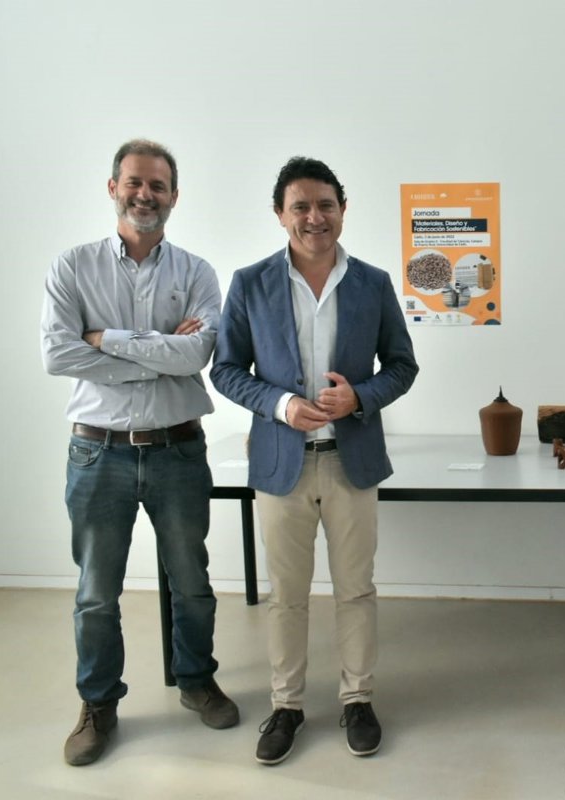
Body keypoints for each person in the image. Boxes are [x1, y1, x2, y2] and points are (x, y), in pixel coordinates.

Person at [211, 156, 418, 765]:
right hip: (282, 464)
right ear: (280, 214)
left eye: (325, 204)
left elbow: (402, 365)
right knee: (287, 595)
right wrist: (279, 405)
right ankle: (287, 705)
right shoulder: (250, 283)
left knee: (356, 589)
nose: (314, 217)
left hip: (351, 461)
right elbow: (226, 369)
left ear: (342, 210)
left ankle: (358, 699)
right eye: (299, 206)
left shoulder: (373, 283)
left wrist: (359, 397)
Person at [41, 139, 239, 767]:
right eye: (134, 182)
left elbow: (197, 354)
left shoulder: (198, 273)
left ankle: (196, 680)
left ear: (173, 196)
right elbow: (58, 354)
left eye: (157, 185)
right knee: (96, 593)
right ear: (113, 188)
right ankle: (98, 703)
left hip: (178, 451)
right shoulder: (72, 267)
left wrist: (108, 340)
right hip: (98, 454)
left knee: (192, 583)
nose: (144, 194)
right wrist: (157, 352)